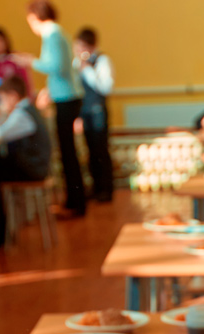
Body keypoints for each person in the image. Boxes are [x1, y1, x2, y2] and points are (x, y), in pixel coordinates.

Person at [19, 1, 85, 218]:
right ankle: (74, 201)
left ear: (35, 17)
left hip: (66, 99)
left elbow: (56, 67)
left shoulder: (53, 35)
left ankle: (75, 203)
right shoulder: (56, 34)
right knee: (67, 153)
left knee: (67, 154)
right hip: (65, 97)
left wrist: (30, 61)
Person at [0, 76, 53, 245]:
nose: (1, 104)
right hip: (36, 166)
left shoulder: (22, 114)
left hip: (34, 169)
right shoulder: (27, 109)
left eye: (3, 99)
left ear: (13, 96)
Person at [74, 27, 114, 203]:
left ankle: (106, 189)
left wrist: (88, 70)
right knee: (89, 150)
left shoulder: (102, 61)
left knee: (101, 149)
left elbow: (106, 87)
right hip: (84, 112)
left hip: (98, 111)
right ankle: (95, 188)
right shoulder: (76, 63)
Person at [0, 27, 31, 96]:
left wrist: (29, 96)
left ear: (5, 41)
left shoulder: (15, 59)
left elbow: (25, 81)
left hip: (14, 97)